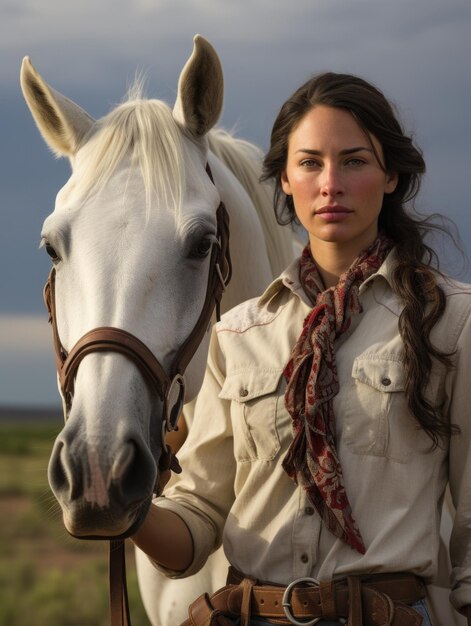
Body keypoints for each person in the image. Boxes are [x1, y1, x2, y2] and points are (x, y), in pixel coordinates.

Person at [133, 72, 471, 625]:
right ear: (285, 179)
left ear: (391, 176)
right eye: (310, 162)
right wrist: (130, 510)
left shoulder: (451, 320)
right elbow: (197, 517)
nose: (330, 183)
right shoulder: (238, 334)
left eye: (355, 161)